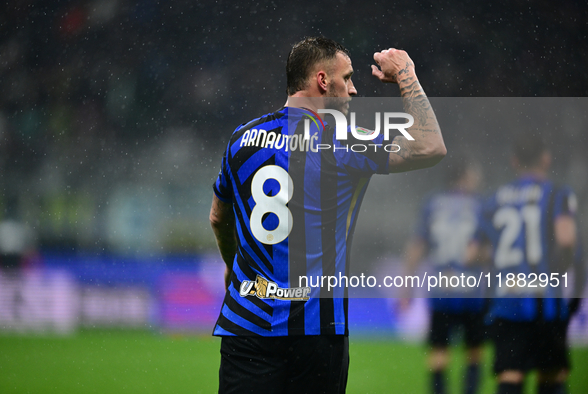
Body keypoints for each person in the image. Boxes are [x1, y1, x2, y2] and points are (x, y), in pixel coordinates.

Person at [209, 36, 446, 393]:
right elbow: (431, 146)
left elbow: (218, 216)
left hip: (247, 325)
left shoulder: (241, 139)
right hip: (316, 331)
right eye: (347, 78)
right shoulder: (344, 140)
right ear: (323, 81)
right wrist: (406, 74)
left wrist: (231, 264)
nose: (352, 91)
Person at [471, 134, 580, 394]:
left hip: (507, 300)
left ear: (514, 161)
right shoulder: (557, 194)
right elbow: (565, 239)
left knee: (510, 374)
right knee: (551, 374)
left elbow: (472, 252)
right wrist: (559, 270)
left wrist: (500, 258)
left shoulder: (494, 199)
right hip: (544, 300)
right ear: (546, 158)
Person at [402, 155, 486, 394]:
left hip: (442, 287)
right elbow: (484, 249)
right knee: (474, 353)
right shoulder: (480, 204)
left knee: (438, 354)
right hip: (471, 288)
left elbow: (417, 246)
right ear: (466, 176)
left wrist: (405, 286)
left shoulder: (433, 203)